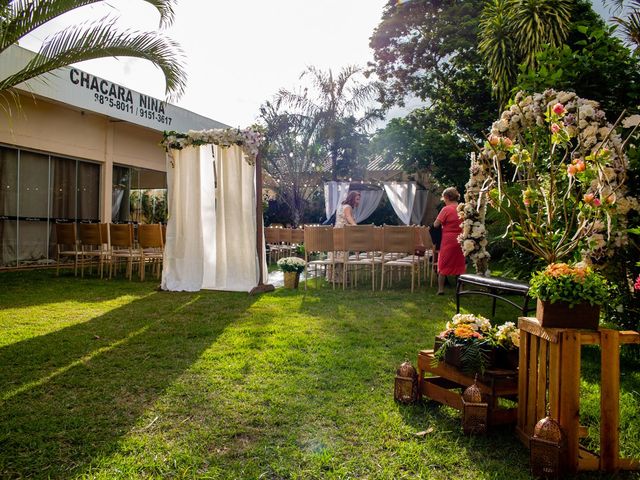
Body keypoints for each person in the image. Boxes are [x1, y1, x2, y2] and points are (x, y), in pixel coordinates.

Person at [431, 187, 465, 294]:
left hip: (448, 240)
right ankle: (460, 289)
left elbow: (436, 224)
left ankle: (440, 289)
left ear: (446, 197)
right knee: (460, 265)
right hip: (461, 239)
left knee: (443, 264)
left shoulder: (445, 209)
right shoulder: (462, 208)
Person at [328, 191, 360, 284]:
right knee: (341, 254)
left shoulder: (343, 206)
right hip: (342, 232)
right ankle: (340, 279)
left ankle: (334, 278)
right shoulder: (348, 207)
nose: (358, 201)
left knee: (337, 254)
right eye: (357, 199)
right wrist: (356, 227)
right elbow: (349, 218)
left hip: (337, 231)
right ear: (352, 198)